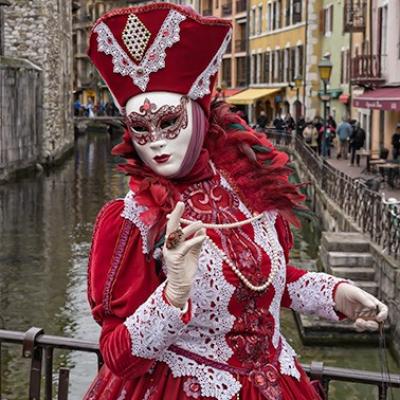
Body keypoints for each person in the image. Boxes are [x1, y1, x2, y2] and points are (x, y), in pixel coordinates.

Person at [84, 4, 388, 400]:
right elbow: (117, 356)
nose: (156, 140)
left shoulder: (247, 190)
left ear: (199, 112)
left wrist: (337, 295)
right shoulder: (133, 220)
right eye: (140, 127)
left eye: (169, 121)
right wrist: (173, 293)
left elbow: (259, 282)